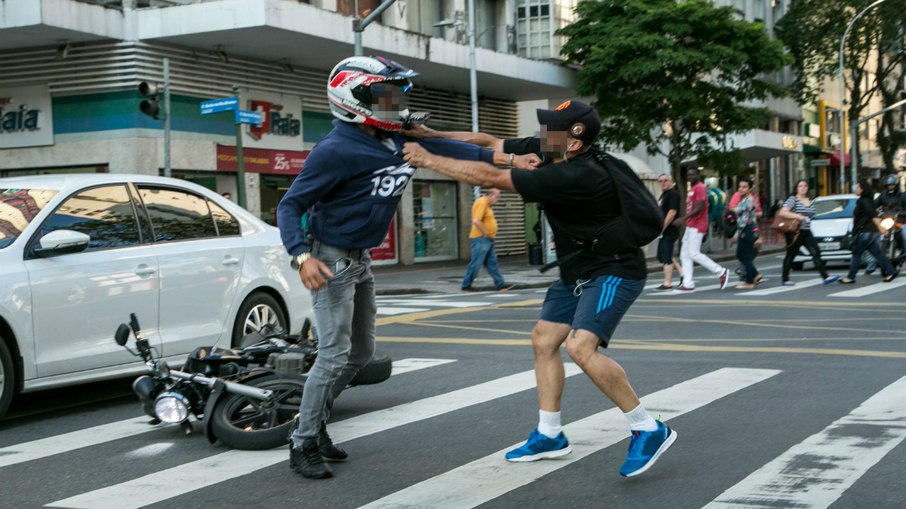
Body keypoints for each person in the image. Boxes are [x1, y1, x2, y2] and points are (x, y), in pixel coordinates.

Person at [402, 100, 676, 478]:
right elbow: (488, 141)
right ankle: (550, 435)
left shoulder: (577, 174)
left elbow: (492, 176)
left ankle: (648, 427)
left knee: (580, 347)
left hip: (614, 270)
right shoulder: (552, 152)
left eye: (552, 130)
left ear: (575, 142)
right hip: (576, 269)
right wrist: (431, 136)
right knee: (544, 340)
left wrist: (427, 159)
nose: (543, 135)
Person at [277, 55, 519, 480]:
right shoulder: (335, 150)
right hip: (330, 259)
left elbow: (471, 151)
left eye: (397, 94)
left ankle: (310, 424)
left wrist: (532, 158)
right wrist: (301, 256)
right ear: (354, 98)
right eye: (385, 95)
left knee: (361, 354)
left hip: (361, 258)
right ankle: (303, 443)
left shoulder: (395, 139)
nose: (396, 103)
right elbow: (289, 204)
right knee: (333, 355)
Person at [672, 168, 730, 292]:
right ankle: (688, 283)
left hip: (698, 225)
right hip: (691, 224)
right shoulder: (692, 189)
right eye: (688, 175)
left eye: (693, 174)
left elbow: (700, 206)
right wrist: (686, 220)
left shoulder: (700, 187)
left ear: (698, 175)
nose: (690, 176)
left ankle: (721, 271)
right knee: (684, 254)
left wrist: (683, 218)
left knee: (693, 253)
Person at [778, 179, 839, 286]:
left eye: (805, 186)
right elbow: (783, 212)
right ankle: (785, 279)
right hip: (794, 232)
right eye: (800, 186)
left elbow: (816, 213)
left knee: (816, 252)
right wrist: (798, 216)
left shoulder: (809, 200)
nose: (803, 188)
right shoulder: (793, 199)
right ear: (796, 188)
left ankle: (825, 277)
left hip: (806, 231)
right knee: (791, 255)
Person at [839, 179, 899, 284]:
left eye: (857, 187)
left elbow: (873, 216)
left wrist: (882, 229)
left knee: (857, 254)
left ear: (862, 189)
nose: (855, 189)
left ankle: (850, 277)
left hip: (865, 232)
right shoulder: (867, 200)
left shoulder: (864, 201)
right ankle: (891, 271)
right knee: (877, 253)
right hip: (869, 232)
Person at [462, 188, 512, 292]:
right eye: (497, 197)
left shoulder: (488, 205)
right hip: (481, 238)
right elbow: (476, 220)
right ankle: (466, 286)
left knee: (492, 263)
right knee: (476, 263)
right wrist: (485, 232)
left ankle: (500, 285)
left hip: (487, 239)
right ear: (490, 195)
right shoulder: (482, 202)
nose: (497, 200)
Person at [730, 176, 761, 289]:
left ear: (750, 188)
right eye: (740, 186)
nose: (741, 189)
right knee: (740, 254)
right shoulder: (744, 199)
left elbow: (744, 220)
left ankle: (749, 282)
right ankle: (755, 274)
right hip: (745, 230)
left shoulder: (749, 200)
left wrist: (736, 234)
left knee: (746, 257)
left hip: (747, 230)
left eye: (744, 187)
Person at [655, 173, 683, 290]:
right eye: (660, 181)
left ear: (671, 181)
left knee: (666, 256)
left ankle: (668, 282)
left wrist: (663, 227)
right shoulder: (663, 195)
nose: (663, 183)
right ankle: (683, 274)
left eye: (666, 180)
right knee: (662, 255)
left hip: (669, 230)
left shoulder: (673, 194)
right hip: (664, 231)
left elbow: (672, 212)